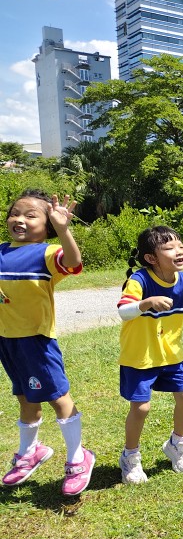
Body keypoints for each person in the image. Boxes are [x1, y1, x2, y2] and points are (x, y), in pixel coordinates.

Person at [0, 191, 94, 496]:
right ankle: (31, 452)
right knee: (25, 398)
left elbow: (74, 262)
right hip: (7, 340)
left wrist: (64, 230)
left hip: (37, 341)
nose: (20, 219)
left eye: (31, 215)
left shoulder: (47, 254)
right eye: (15, 213)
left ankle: (78, 457)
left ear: (47, 225)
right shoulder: (1, 252)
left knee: (57, 398)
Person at [116, 226, 183, 484]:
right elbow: (123, 311)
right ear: (151, 258)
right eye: (169, 248)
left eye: (181, 246)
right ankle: (130, 456)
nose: (179, 251)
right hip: (140, 357)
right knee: (141, 408)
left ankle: (177, 444)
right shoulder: (139, 281)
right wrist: (146, 303)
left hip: (172, 355)